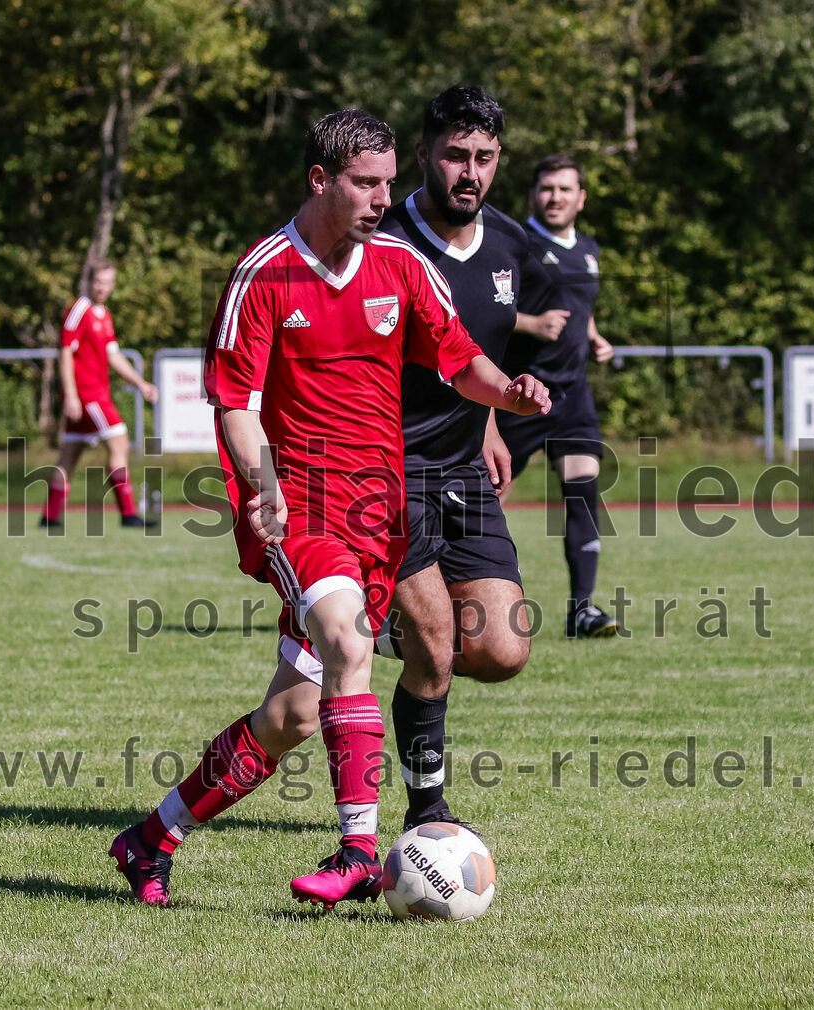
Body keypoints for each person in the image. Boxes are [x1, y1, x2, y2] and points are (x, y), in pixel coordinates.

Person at [108, 109, 551, 909]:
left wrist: (507, 393)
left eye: (388, 182)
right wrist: (261, 480)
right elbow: (235, 404)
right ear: (322, 180)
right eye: (366, 183)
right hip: (302, 509)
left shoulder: (402, 268)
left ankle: (149, 840)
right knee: (350, 642)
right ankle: (357, 850)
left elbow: (459, 361)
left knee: (293, 714)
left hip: (383, 512)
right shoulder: (264, 273)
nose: (385, 198)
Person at [375, 85, 551, 832]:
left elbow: (475, 349)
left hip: (463, 469)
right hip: (384, 469)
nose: (468, 171)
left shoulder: (512, 246)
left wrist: (487, 423)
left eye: (483, 157)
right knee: (440, 648)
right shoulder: (380, 241)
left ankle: (384, 623)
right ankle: (428, 815)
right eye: (454, 155)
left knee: (504, 648)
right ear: (423, 156)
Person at [498, 154, 618, 637]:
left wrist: (594, 336)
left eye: (565, 189)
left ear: (581, 198)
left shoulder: (588, 248)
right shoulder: (514, 243)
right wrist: (531, 324)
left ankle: (582, 611)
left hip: (574, 398)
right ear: (533, 194)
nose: (555, 197)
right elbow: (485, 308)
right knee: (482, 498)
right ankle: (447, 598)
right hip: (520, 394)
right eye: (547, 188)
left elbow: (579, 307)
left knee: (583, 494)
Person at [40, 260, 159, 529]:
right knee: (119, 442)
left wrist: (140, 383)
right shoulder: (79, 309)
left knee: (70, 452)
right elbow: (65, 352)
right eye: (98, 282)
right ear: (88, 282)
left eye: (107, 283)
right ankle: (128, 514)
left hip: (94, 392)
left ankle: (49, 515)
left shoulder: (103, 314)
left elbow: (113, 355)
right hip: (87, 393)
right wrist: (71, 395)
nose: (102, 287)